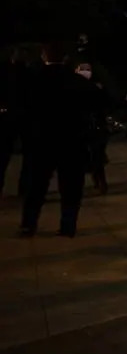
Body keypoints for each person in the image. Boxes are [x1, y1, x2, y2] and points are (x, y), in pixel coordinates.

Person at [19, 43, 99, 238]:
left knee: (36, 185)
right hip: (72, 140)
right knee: (71, 186)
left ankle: (29, 224)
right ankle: (68, 225)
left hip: (41, 140)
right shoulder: (77, 81)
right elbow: (95, 104)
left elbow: (23, 110)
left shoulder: (32, 81)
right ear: (65, 58)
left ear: (43, 57)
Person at [74, 61, 112, 195]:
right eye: (82, 69)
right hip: (80, 126)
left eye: (87, 69)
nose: (85, 71)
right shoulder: (73, 86)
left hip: (95, 125)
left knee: (97, 155)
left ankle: (100, 182)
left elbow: (105, 103)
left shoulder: (97, 86)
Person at [0, 47, 28, 199]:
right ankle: (23, 188)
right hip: (18, 116)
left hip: (12, 116)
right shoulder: (24, 71)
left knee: (4, 154)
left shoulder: (10, 71)